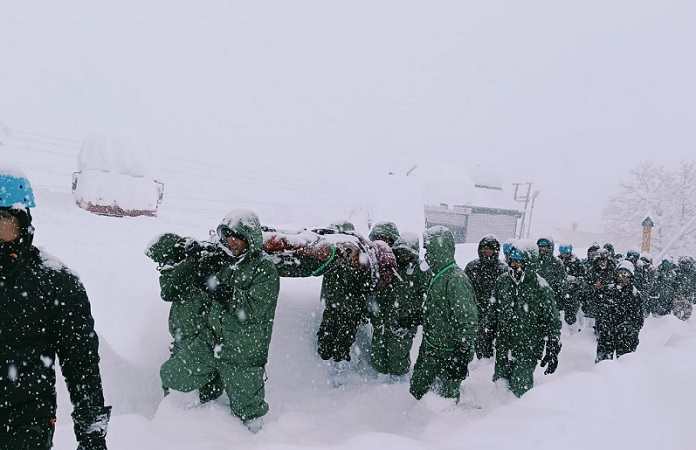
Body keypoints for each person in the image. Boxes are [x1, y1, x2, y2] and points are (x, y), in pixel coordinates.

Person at [0, 168, 111, 449]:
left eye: (3, 218)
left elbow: (81, 364)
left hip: (24, 425)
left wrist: (91, 434)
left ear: (23, 221)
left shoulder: (56, 282)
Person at [159, 210, 279, 432]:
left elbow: (253, 309)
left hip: (243, 351)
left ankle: (259, 441)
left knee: (249, 412)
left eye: (237, 236)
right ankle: (183, 423)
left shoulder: (265, 269)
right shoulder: (223, 260)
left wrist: (217, 287)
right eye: (227, 236)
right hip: (211, 341)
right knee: (173, 374)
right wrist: (197, 262)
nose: (231, 242)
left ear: (249, 238)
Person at [146, 233, 222, 403]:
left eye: (163, 262)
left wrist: (192, 261)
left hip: (205, 348)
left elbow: (169, 291)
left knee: (170, 375)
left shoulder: (197, 278)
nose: (161, 268)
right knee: (170, 379)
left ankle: (196, 410)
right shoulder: (182, 281)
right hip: (190, 347)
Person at [409, 226, 478, 403]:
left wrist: (461, 353)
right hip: (431, 350)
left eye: (429, 250)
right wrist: (416, 317)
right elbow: (438, 309)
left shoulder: (455, 279)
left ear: (440, 249)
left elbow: (467, 321)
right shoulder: (438, 275)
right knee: (419, 392)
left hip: (448, 355)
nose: (426, 255)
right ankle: (414, 427)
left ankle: (443, 430)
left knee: (443, 403)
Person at [488, 241, 562, 397]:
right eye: (513, 260)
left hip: (528, 347)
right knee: (500, 384)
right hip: (503, 344)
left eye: (520, 261)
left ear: (530, 263)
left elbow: (552, 319)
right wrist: (487, 333)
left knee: (520, 387)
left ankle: (520, 417)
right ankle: (497, 418)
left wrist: (553, 344)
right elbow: (493, 311)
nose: (515, 265)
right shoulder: (503, 281)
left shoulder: (541, 287)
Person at [369, 232, 429, 381]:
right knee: (378, 354)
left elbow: (431, 297)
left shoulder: (420, 272)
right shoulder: (387, 267)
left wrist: (416, 316)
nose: (403, 257)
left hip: (403, 323)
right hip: (382, 320)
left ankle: (398, 385)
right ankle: (378, 384)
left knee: (398, 356)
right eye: (400, 253)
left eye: (407, 254)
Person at [464, 234, 507, 359]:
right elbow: (465, 289)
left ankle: (484, 366)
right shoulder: (472, 267)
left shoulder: (502, 269)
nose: (486, 251)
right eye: (484, 248)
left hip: (494, 312)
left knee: (488, 344)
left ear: (496, 251)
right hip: (474, 310)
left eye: (490, 248)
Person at [595, 261, 644, 362]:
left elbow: (638, 320)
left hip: (626, 337)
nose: (622, 278)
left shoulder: (635, 295)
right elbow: (599, 310)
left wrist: (629, 330)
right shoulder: (608, 290)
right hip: (607, 335)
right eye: (620, 274)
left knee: (625, 364)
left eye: (626, 275)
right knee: (603, 365)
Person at [557, 243, 586, 328]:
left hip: (572, 293)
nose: (565, 255)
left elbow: (582, 277)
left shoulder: (576, 262)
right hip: (559, 292)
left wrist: (575, 281)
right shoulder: (557, 261)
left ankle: (572, 332)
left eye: (567, 253)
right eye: (563, 253)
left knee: (571, 315)